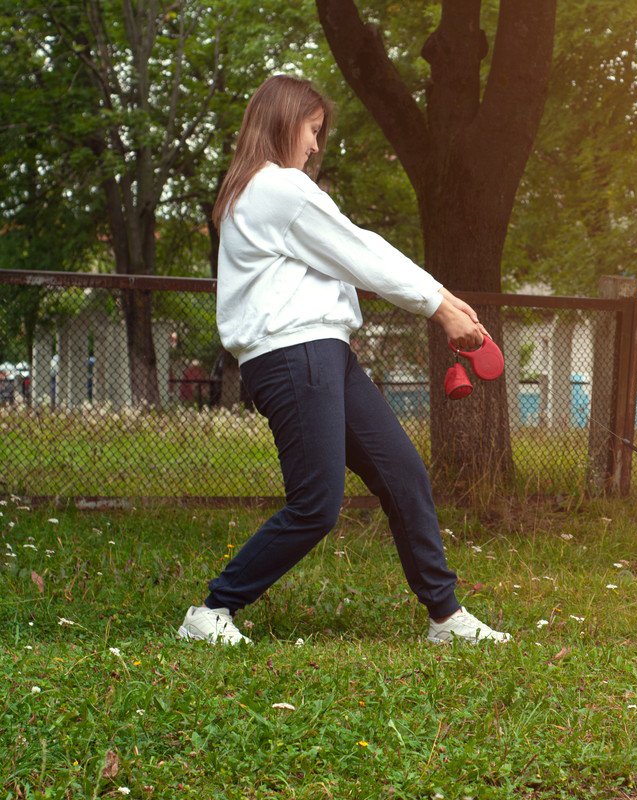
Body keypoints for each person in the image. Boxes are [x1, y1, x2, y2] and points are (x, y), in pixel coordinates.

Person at [176, 74, 509, 647]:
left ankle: (446, 618)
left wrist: (450, 303)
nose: (314, 147)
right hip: (293, 354)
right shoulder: (276, 189)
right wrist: (441, 309)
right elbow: (363, 251)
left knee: (401, 472)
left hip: (325, 354)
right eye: (312, 132)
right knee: (316, 504)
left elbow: (357, 248)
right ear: (285, 123)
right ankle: (211, 610)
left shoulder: (262, 192)